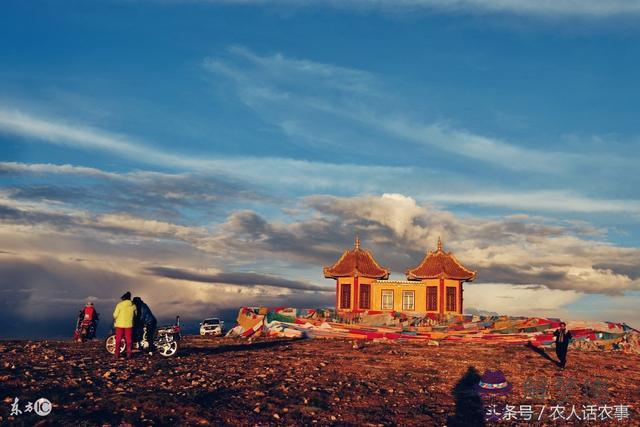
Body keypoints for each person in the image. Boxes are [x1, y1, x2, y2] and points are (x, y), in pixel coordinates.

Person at [113, 291, 137, 359]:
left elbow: (115, 315)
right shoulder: (133, 305)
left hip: (119, 325)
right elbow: (136, 315)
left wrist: (116, 319)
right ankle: (129, 354)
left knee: (118, 339)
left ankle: (117, 354)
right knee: (129, 340)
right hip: (129, 325)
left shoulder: (119, 305)